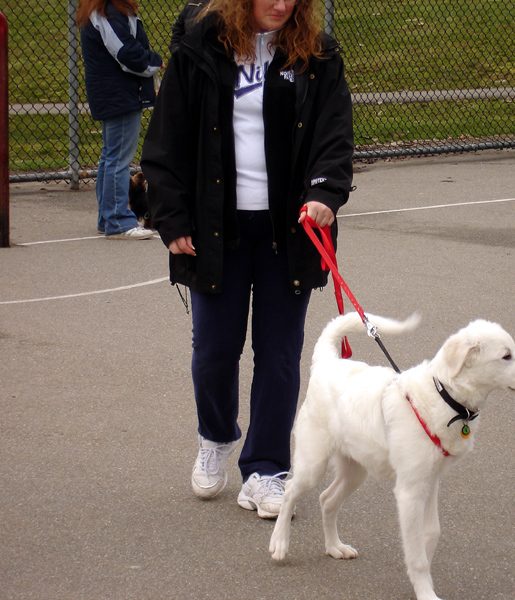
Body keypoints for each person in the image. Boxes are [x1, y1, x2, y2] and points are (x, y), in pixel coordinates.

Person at [140, 0, 354, 518]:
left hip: (291, 230)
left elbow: (334, 134)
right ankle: (215, 436)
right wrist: (172, 218)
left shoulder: (317, 55)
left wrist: (325, 191)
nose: (280, 4)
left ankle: (265, 469)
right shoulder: (198, 50)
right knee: (214, 352)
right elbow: (167, 139)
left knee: (279, 355)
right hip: (217, 229)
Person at [76, 0, 162, 240]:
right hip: (119, 95)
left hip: (114, 93)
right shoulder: (108, 13)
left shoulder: (107, 11)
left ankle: (107, 218)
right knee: (118, 158)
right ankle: (118, 221)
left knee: (111, 155)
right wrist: (154, 61)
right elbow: (127, 54)